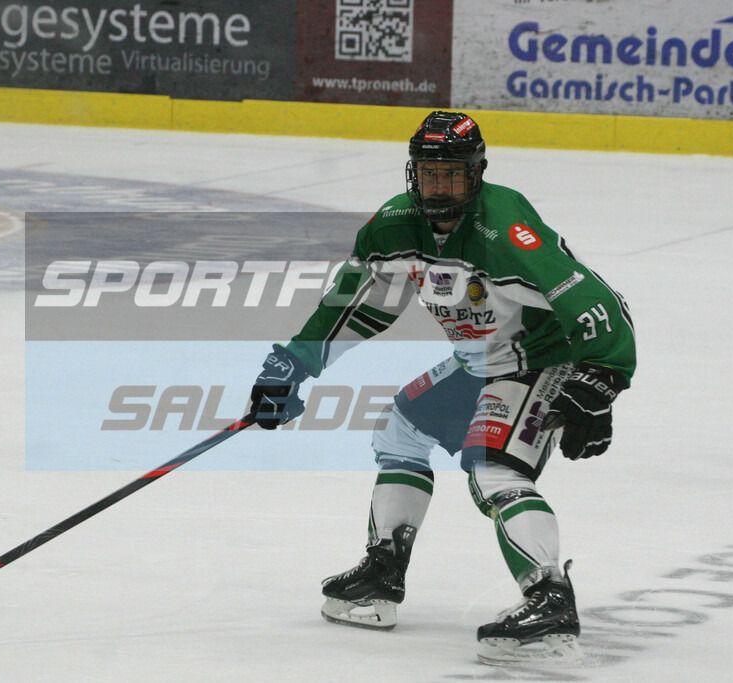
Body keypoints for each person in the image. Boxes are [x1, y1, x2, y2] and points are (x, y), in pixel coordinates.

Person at [248, 111, 636, 664]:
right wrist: (292, 365)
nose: (439, 188)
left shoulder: (504, 229)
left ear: (477, 172)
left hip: (543, 357)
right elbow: (354, 307)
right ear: (413, 173)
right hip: (478, 360)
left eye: (452, 175)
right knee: (400, 428)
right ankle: (383, 569)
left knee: (494, 468)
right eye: (430, 175)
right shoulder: (394, 227)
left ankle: (549, 596)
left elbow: (599, 304)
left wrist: (600, 379)